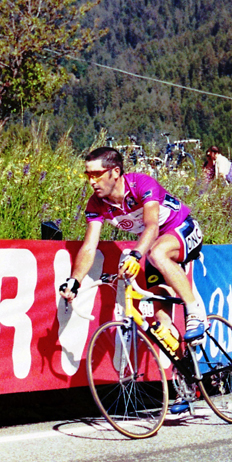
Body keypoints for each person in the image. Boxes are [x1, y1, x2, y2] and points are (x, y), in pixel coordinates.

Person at [59, 146, 207, 345]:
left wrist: (136, 255)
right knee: (161, 323)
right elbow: (89, 246)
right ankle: (186, 367)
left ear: (116, 172)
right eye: (88, 175)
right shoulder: (96, 204)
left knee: (157, 254)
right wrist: (74, 281)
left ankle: (195, 312)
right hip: (153, 245)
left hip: (182, 228)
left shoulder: (141, 184)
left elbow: (152, 226)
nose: (92, 182)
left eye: (97, 174)